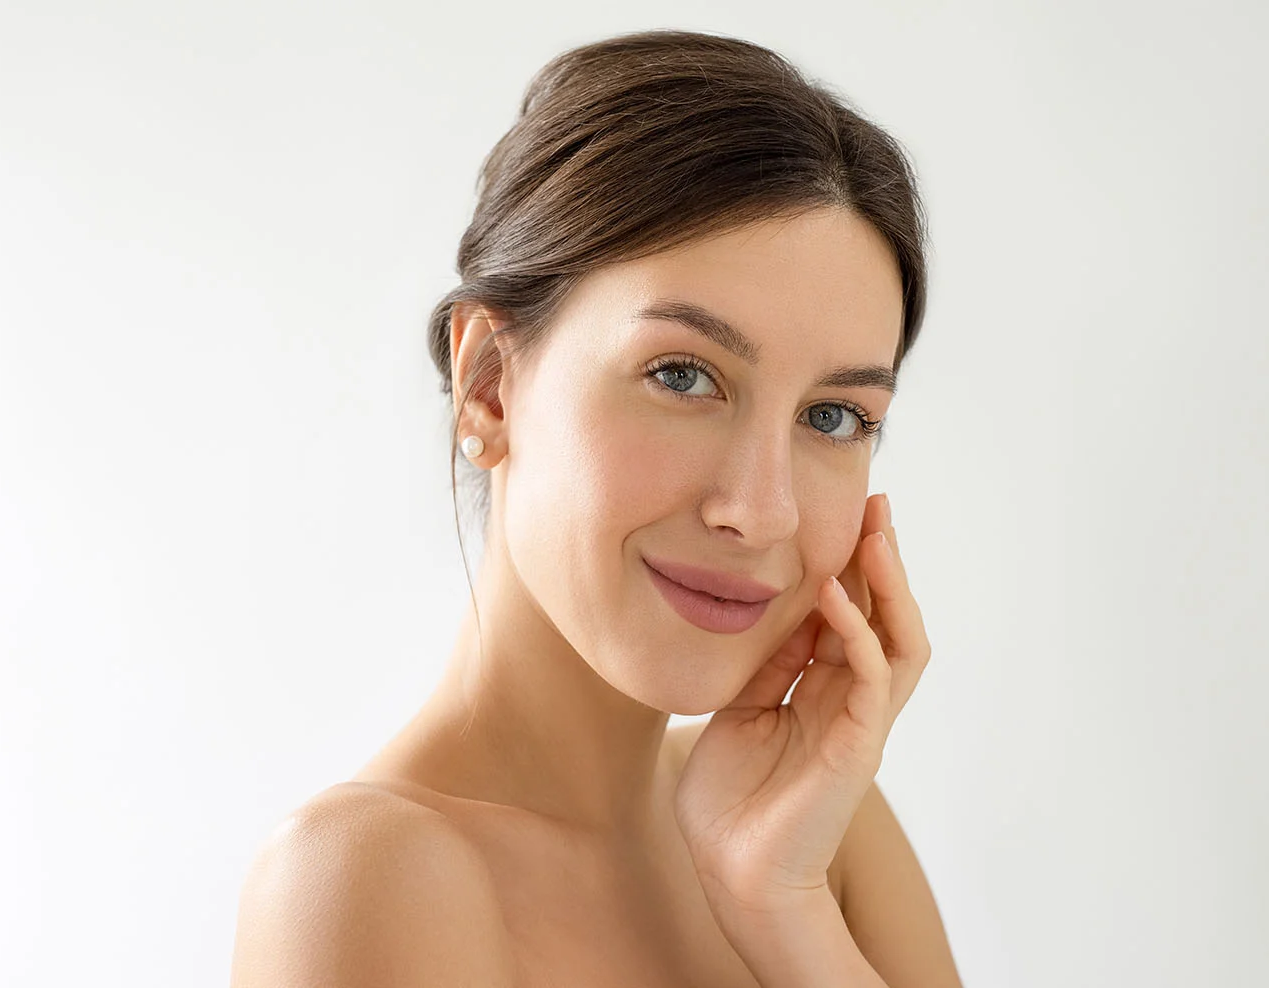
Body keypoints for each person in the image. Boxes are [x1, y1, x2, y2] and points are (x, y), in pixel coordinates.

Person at [232, 28, 963, 988]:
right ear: (489, 387)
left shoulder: (821, 834)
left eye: (833, 416)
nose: (761, 512)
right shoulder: (367, 877)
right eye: (682, 375)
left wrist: (780, 909)